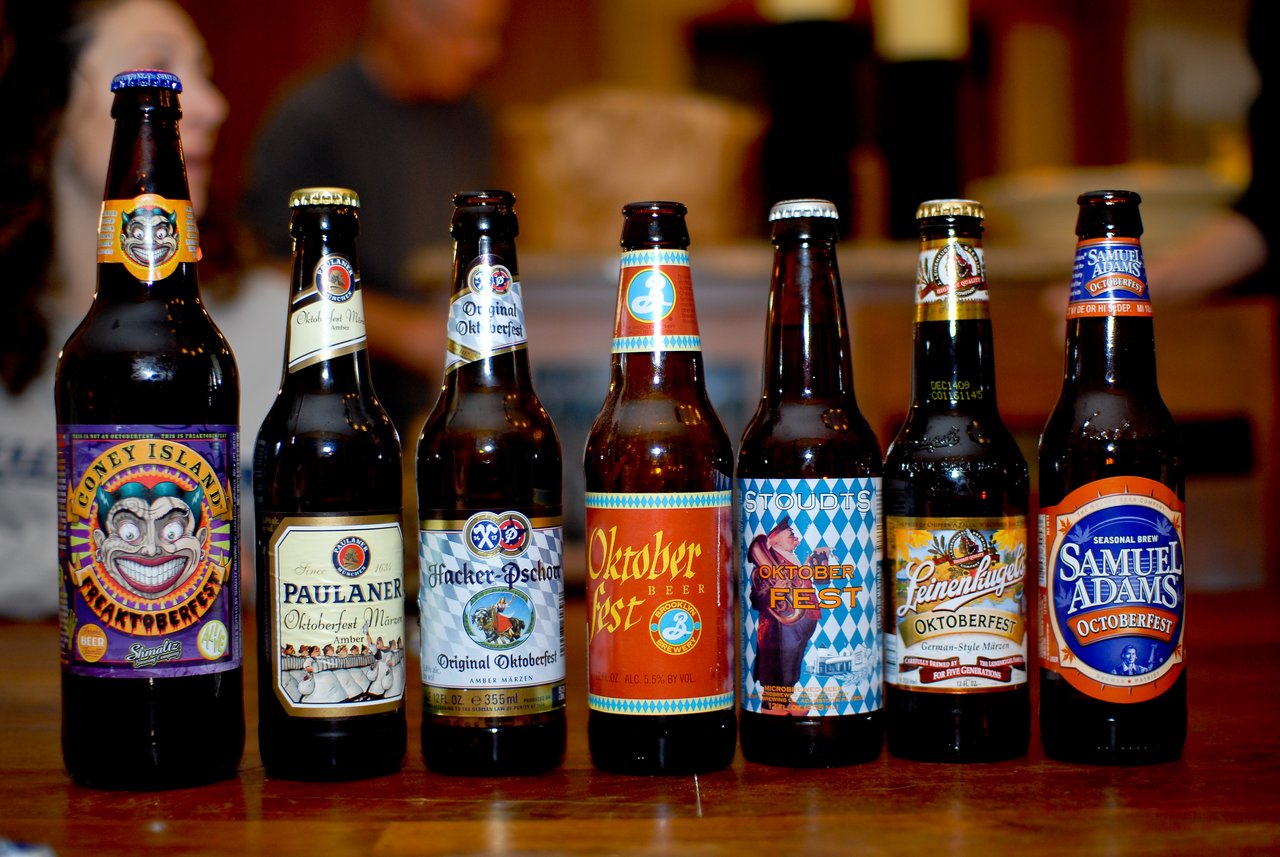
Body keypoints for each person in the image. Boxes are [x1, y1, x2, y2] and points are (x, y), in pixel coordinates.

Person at [0, 0, 273, 619]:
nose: (210, 106)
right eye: (159, 68)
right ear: (52, 104)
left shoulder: (283, 325)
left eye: (202, 74)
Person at [240, 0, 510, 438]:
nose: (483, 53)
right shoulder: (313, 118)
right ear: (404, 15)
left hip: (451, 394)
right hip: (344, 403)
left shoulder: (473, 119)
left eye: (491, 34)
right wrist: (412, 335)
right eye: (466, 33)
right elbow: (269, 271)